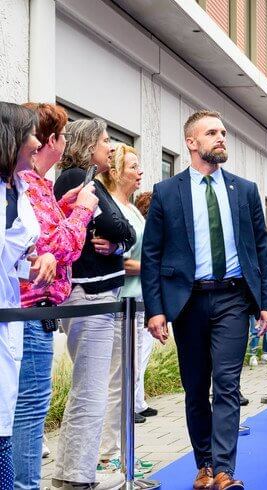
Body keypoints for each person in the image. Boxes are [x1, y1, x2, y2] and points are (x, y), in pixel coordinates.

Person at [142, 110, 267, 490]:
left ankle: (223, 471)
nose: (221, 138)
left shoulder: (245, 190)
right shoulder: (167, 192)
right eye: (212, 132)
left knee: (228, 383)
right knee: (196, 386)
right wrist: (156, 310)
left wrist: (265, 301)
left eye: (223, 132)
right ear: (191, 142)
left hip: (232, 298)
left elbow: (259, 250)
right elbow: (151, 254)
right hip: (188, 302)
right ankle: (202, 464)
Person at [12, 103, 98, 490]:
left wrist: (65, 207)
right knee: (28, 410)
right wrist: (80, 213)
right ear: (52, 141)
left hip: (32, 313)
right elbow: (53, 248)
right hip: (29, 312)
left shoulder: (36, 185)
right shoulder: (24, 184)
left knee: (25, 409)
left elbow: (47, 241)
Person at [52, 118, 135, 490]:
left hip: (101, 294)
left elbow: (126, 233)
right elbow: (117, 226)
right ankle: (75, 476)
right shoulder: (74, 180)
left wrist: (117, 244)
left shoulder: (93, 183)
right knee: (91, 388)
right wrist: (117, 237)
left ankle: (75, 472)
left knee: (94, 386)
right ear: (87, 145)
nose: (111, 147)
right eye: (105, 140)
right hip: (89, 296)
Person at [96, 144, 155, 479]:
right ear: (116, 172)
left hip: (137, 304)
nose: (140, 172)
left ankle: (123, 451)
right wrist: (148, 267)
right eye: (134, 166)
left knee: (128, 382)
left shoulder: (131, 208)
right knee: (118, 383)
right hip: (121, 304)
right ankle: (108, 455)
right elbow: (115, 259)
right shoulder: (112, 208)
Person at [0, 102, 43, 489]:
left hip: (9, 314)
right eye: (29, 134)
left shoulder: (18, 189)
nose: (36, 142)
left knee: (5, 426)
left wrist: (34, 262)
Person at [133, 191, 157, 419]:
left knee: (144, 351)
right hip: (137, 294)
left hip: (145, 295)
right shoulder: (143, 227)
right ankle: (134, 402)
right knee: (138, 353)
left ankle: (139, 401)